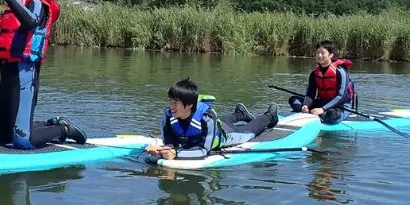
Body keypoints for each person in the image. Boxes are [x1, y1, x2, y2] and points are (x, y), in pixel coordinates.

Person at [0, 0, 86, 149]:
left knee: (23, 141)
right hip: (6, 74)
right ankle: (46, 124)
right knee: (0, 136)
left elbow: (30, 22)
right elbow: (7, 51)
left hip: (25, 75)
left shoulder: (37, 5)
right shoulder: (10, 10)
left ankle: (63, 129)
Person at [145, 78, 279, 161]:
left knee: (249, 131)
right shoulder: (168, 116)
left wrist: (176, 154)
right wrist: (160, 150)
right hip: (212, 126)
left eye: (176, 103)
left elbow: (204, 151)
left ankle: (270, 116)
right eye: (170, 101)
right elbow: (170, 143)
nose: (171, 106)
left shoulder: (206, 118)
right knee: (222, 121)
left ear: (190, 105)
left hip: (224, 136)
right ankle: (240, 114)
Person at [288, 40, 355, 125]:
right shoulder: (314, 73)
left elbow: (341, 96)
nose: (319, 56)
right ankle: (310, 113)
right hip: (322, 103)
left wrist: (323, 109)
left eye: (323, 53)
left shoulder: (340, 72)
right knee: (293, 100)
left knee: (332, 114)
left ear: (331, 55)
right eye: (317, 53)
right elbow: (310, 93)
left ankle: (320, 115)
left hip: (339, 106)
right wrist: (305, 105)